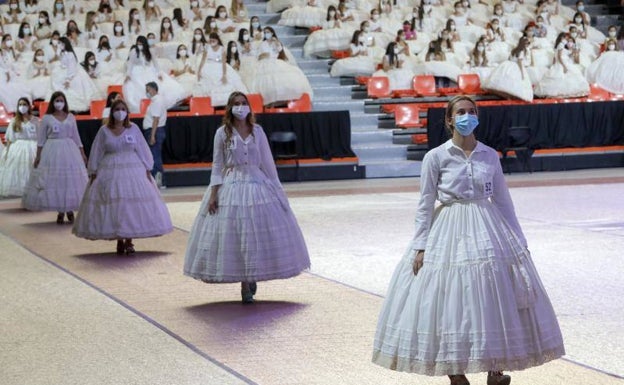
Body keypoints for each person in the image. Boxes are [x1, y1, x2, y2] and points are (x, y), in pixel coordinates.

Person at [372, 95, 565, 385]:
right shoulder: (436, 157)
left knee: (492, 295)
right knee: (449, 300)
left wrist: (520, 240)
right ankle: (454, 370)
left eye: (471, 111)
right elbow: (425, 204)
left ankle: (495, 368)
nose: (466, 116)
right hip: (448, 228)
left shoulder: (489, 155)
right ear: (449, 119)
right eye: (460, 112)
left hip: (488, 227)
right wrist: (420, 245)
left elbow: (502, 200)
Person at [184, 91, 310, 304]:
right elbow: (217, 165)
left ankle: (251, 276)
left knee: (254, 232)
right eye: (236, 104)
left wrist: (278, 191)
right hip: (231, 184)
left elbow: (268, 164)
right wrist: (214, 195)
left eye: (244, 103)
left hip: (256, 182)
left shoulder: (257, 131)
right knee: (235, 233)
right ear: (229, 108)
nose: (240, 107)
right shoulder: (222, 133)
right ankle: (244, 282)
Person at [72, 99, 173, 255]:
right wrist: (93, 170)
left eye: (123, 109)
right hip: (110, 169)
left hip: (133, 169)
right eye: (117, 109)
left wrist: (147, 167)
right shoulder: (104, 131)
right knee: (115, 204)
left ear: (127, 112)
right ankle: (119, 238)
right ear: (112, 112)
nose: (120, 112)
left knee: (130, 204)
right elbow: (96, 151)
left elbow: (142, 148)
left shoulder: (133, 129)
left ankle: (129, 240)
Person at [22, 91, 88, 224]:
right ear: (52, 102)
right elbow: (41, 139)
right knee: (56, 181)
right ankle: (60, 211)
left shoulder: (70, 117)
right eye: (57, 100)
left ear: (65, 102)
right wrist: (38, 156)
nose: (59, 103)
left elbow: (76, 136)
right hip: (52, 150)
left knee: (69, 181)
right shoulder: (47, 118)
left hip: (69, 150)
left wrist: (82, 153)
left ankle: (69, 209)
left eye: (61, 100)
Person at [0, 97, 39, 198]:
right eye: (20, 104)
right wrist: (7, 152)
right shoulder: (14, 121)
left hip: (33, 147)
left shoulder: (35, 120)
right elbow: (9, 138)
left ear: (29, 106)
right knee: (19, 171)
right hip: (18, 148)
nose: (22, 107)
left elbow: (40, 137)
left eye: (24, 104)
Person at [142, 81, 167, 188]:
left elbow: (155, 119)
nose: (146, 92)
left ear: (153, 89)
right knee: (154, 155)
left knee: (155, 156)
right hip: (155, 131)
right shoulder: (155, 101)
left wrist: (152, 135)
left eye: (147, 90)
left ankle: (159, 181)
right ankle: (155, 180)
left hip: (154, 131)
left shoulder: (157, 101)